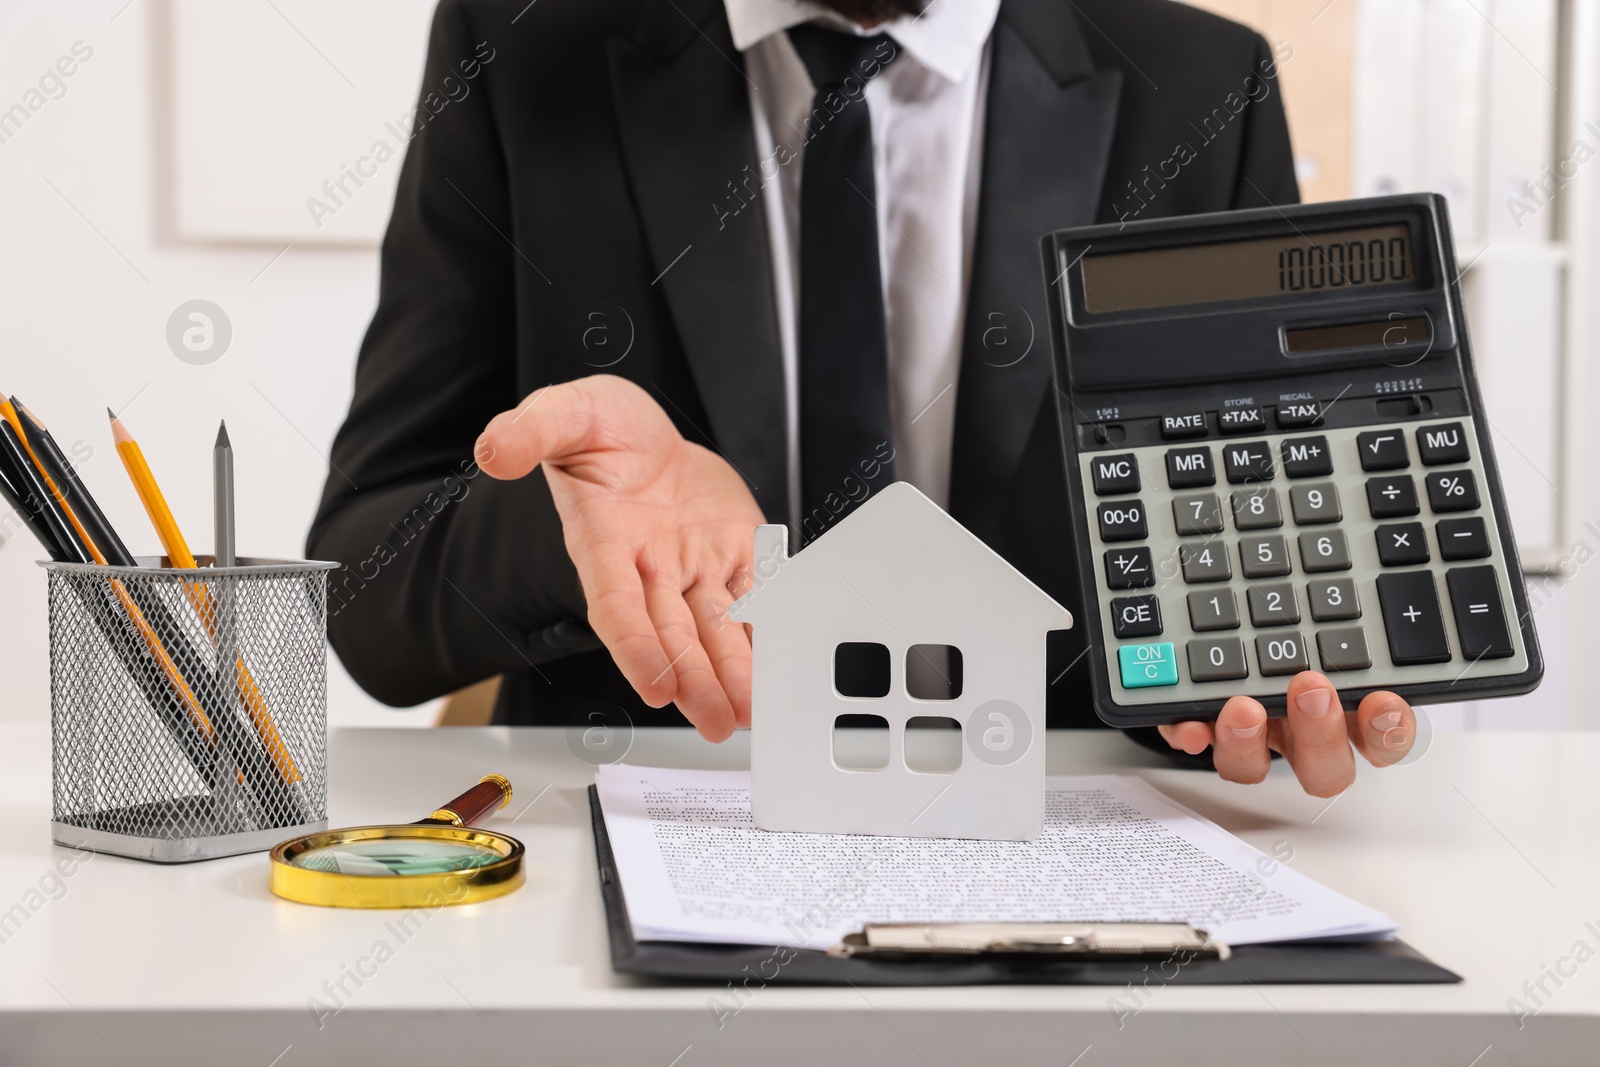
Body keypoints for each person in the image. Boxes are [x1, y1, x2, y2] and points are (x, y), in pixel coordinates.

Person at [309, 0, 1418, 798]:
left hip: (1062, 847)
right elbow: (363, 592)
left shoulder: (1203, 88)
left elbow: (1269, 561)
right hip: (653, 832)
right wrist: (575, 524)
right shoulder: (515, 50)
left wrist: (1272, 678)